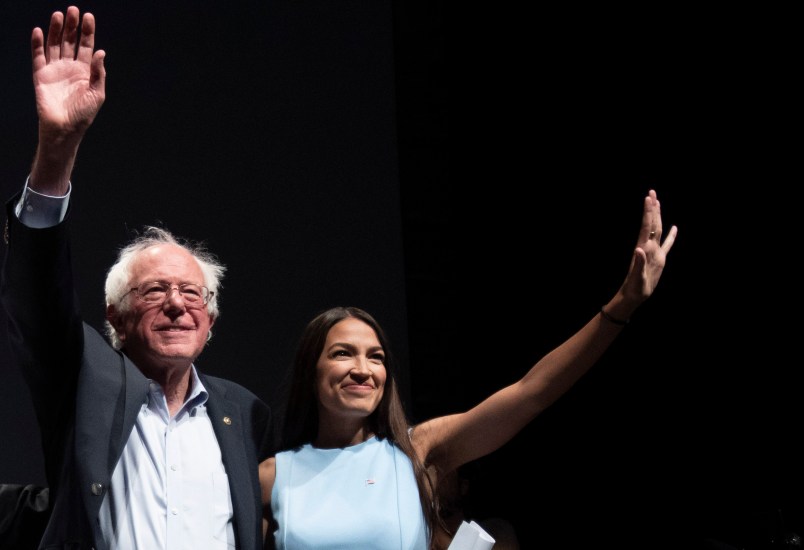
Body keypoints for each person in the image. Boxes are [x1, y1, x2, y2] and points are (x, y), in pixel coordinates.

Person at [259, 190, 677, 550]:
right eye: (343, 354)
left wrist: (622, 304)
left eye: (377, 356)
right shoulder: (272, 476)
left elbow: (532, 392)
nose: (363, 369)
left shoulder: (417, 452)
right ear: (310, 371)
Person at [1, 6, 273, 549]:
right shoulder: (85, 383)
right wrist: (58, 149)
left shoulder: (243, 412)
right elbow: (36, 296)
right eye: (154, 291)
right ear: (116, 316)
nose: (177, 304)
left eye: (191, 293)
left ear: (211, 317)